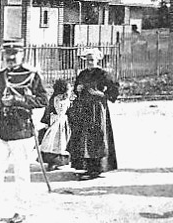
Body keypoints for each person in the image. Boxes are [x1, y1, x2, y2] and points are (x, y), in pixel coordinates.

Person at [0, 39, 48, 223]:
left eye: (14, 54)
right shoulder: (1, 76)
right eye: (7, 55)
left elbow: (43, 100)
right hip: (0, 131)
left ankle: (21, 211)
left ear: (21, 54)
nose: (10, 58)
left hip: (21, 131)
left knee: (21, 172)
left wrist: (19, 101)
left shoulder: (32, 76)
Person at [67, 48, 119, 180]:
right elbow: (76, 88)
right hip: (83, 108)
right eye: (88, 60)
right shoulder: (82, 74)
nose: (90, 62)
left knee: (96, 137)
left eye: (92, 60)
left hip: (97, 108)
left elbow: (114, 88)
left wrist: (102, 94)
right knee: (83, 137)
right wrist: (77, 89)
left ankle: (97, 168)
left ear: (97, 60)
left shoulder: (103, 74)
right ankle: (86, 167)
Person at [39, 79, 73, 171]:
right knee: (54, 142)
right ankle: (53, 162)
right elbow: (49, 110)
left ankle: (57, 162)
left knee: (60, 142)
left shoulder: (62, 99)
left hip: (60, 122)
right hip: (56, 123)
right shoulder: (58, 99)